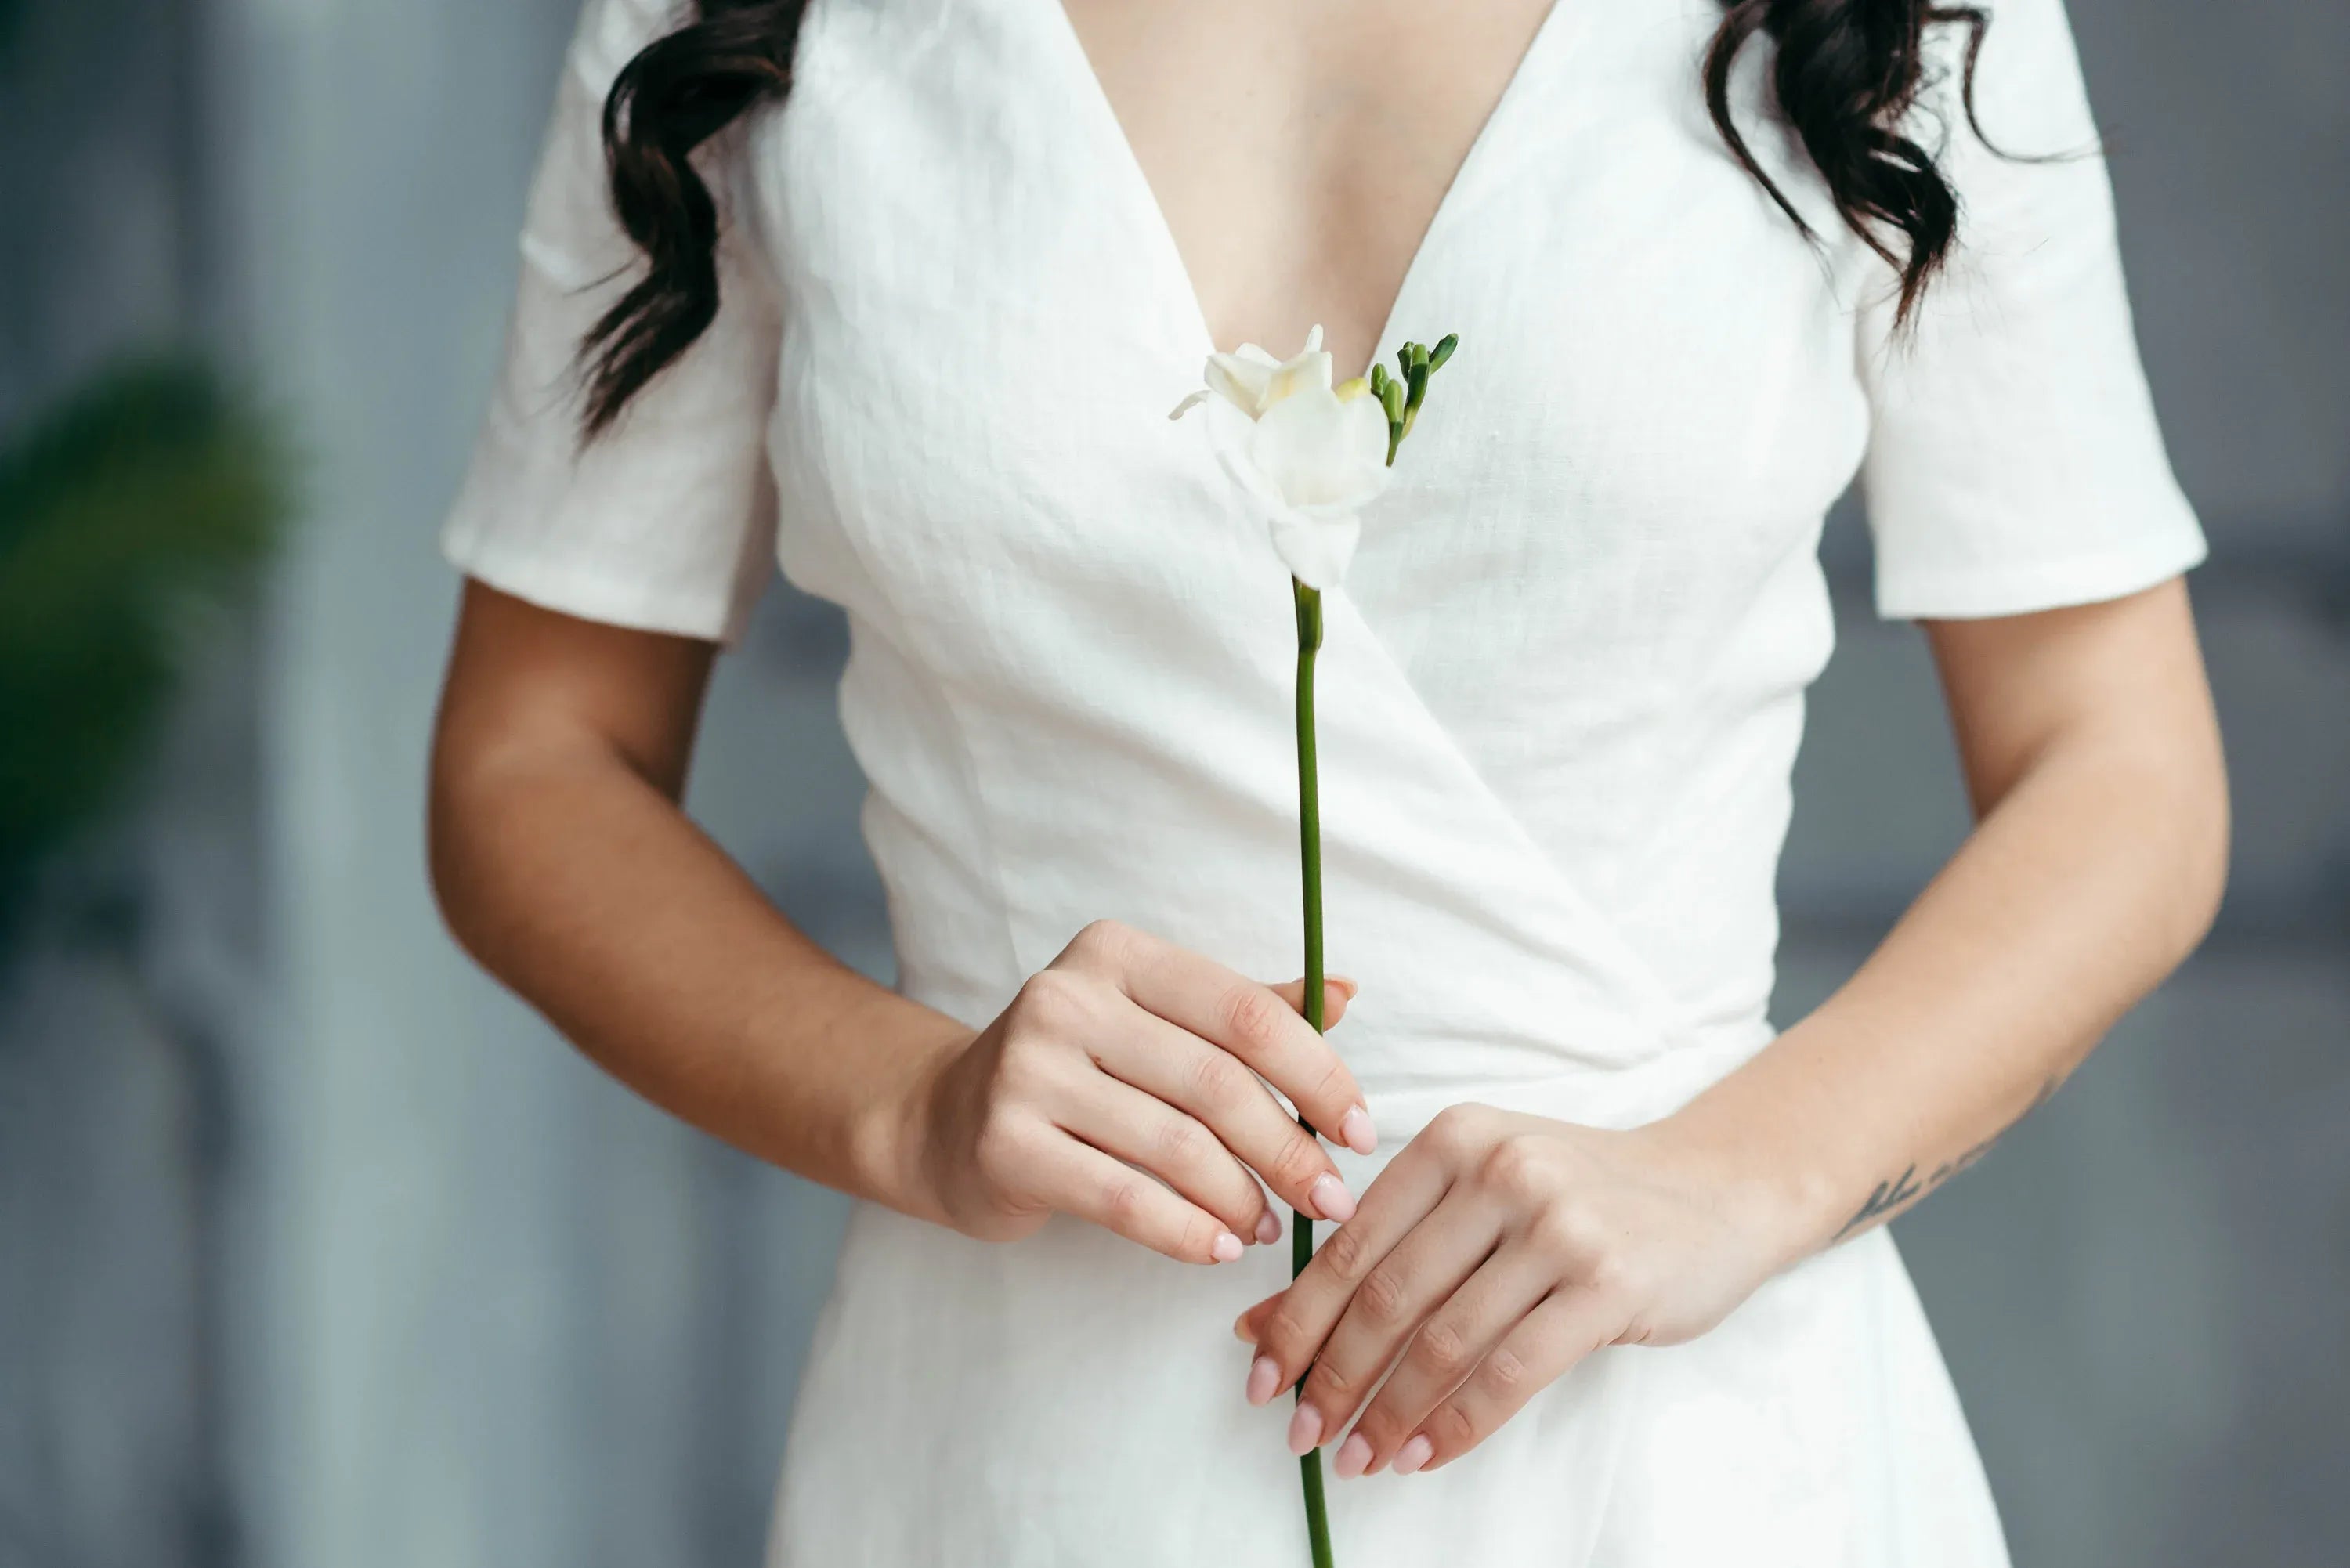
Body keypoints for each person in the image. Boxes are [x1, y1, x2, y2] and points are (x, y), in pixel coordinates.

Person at [426, 0, 2229, 1561]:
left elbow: (2122, 758)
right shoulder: (743, 21)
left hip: (1684, 1440)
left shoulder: (1901, 18)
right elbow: (532, 757)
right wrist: (909, 1103)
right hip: (1016, 1443)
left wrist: (1742, 1177)